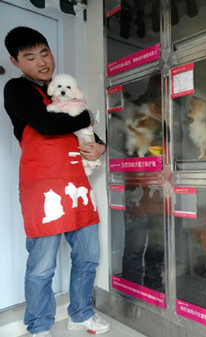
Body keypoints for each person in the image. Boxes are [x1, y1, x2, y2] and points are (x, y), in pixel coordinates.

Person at [3, 26, 110, 337]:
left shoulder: (63, 90)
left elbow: (89, 133)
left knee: (88, 256)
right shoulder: (17, 90)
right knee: (41, 266)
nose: (41, 61)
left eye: (45, 53)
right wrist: (85, 114)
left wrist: (100, 145)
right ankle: (38, 326)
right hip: (43, 188)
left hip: (76, 183)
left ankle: (81, 314)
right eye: (30, 57)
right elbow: (48, 125)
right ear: (15, 61)